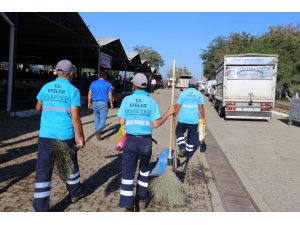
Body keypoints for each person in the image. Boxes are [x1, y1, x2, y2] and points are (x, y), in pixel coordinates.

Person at [117, 73, 175, 212]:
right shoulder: (151, 102)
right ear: (146, 86)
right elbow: (155, 124)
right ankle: (142, 198)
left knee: (128, 174)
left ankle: (128, 205)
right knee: (144, 170)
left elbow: (121, 121)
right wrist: (168, 113)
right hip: (145, 143)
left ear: (133, 85)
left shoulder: (126, 100)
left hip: (130, 141)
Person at [33, 59, 85, 212]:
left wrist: (50, 116)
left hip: (46, 135)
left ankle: (40, 208)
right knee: (70, 165)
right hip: (64, 136)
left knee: (43, 170)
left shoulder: (46, 87)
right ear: (71, 73)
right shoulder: (73, 91)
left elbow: (38, 107)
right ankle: (75, 193)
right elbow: (75, 118)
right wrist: (81, 138)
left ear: (56, 71)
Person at [174, 77, 206, 158]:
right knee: (191, 137)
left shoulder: (183, 93)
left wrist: (174, 115)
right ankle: (189, 154)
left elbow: (178, 105)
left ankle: (182, 147)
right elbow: (201, 107)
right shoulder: (198, 94)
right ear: (196, 85)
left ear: (188, 85)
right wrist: (203, 117)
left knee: (178, 131)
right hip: (193, 120)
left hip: (183, 119)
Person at [87, 71, 113, 140]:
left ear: (98, 76)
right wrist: (111, 103)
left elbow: (89, 94)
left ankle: (97, 130)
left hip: (94, 102)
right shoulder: (108, 84)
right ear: (105, 76)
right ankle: (98, 131)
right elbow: (110, 95)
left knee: (96, 117)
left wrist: (89, 102)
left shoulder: (93, 83)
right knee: (103, 118)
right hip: (103, 103)